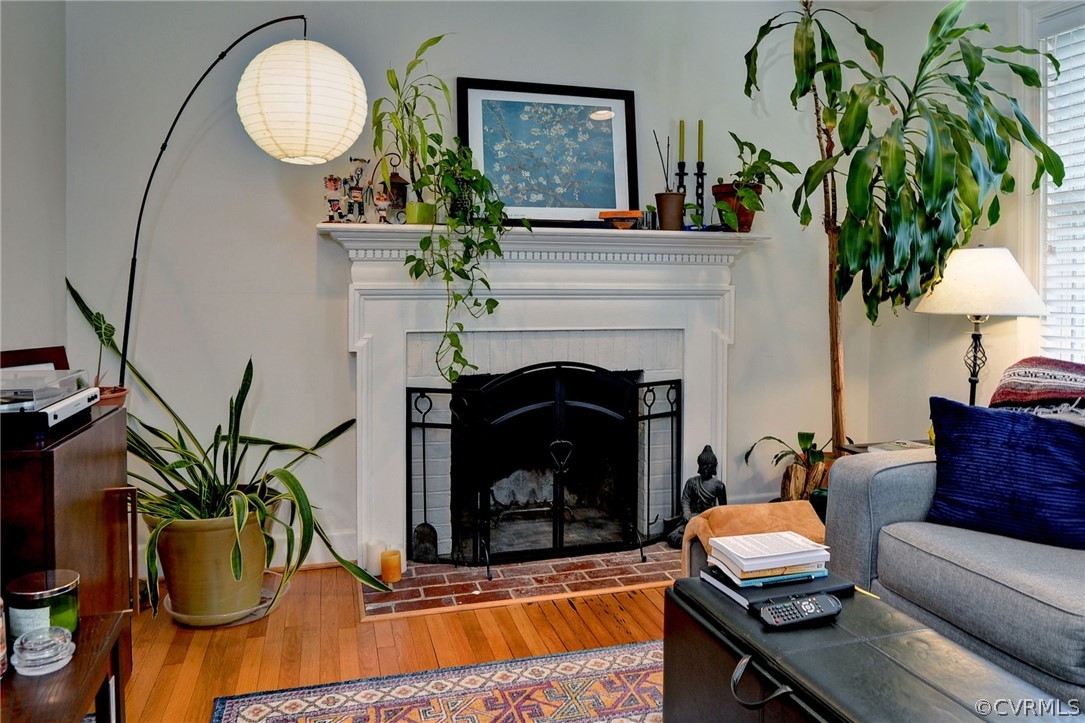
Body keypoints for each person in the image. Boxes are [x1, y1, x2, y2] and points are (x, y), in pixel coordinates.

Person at [666, 444, 726, 548]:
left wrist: (716, 520)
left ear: (713, 467)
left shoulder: (719, 486)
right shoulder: (692, 482)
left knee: (712, 534)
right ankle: (695, 538)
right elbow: (685, 500)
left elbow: (723, 509)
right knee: (673, 537)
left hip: (708, 519)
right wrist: (687, 514)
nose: (705, 470)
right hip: (693, 518)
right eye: (703, 466)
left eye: (708, 467)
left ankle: (698, 539)